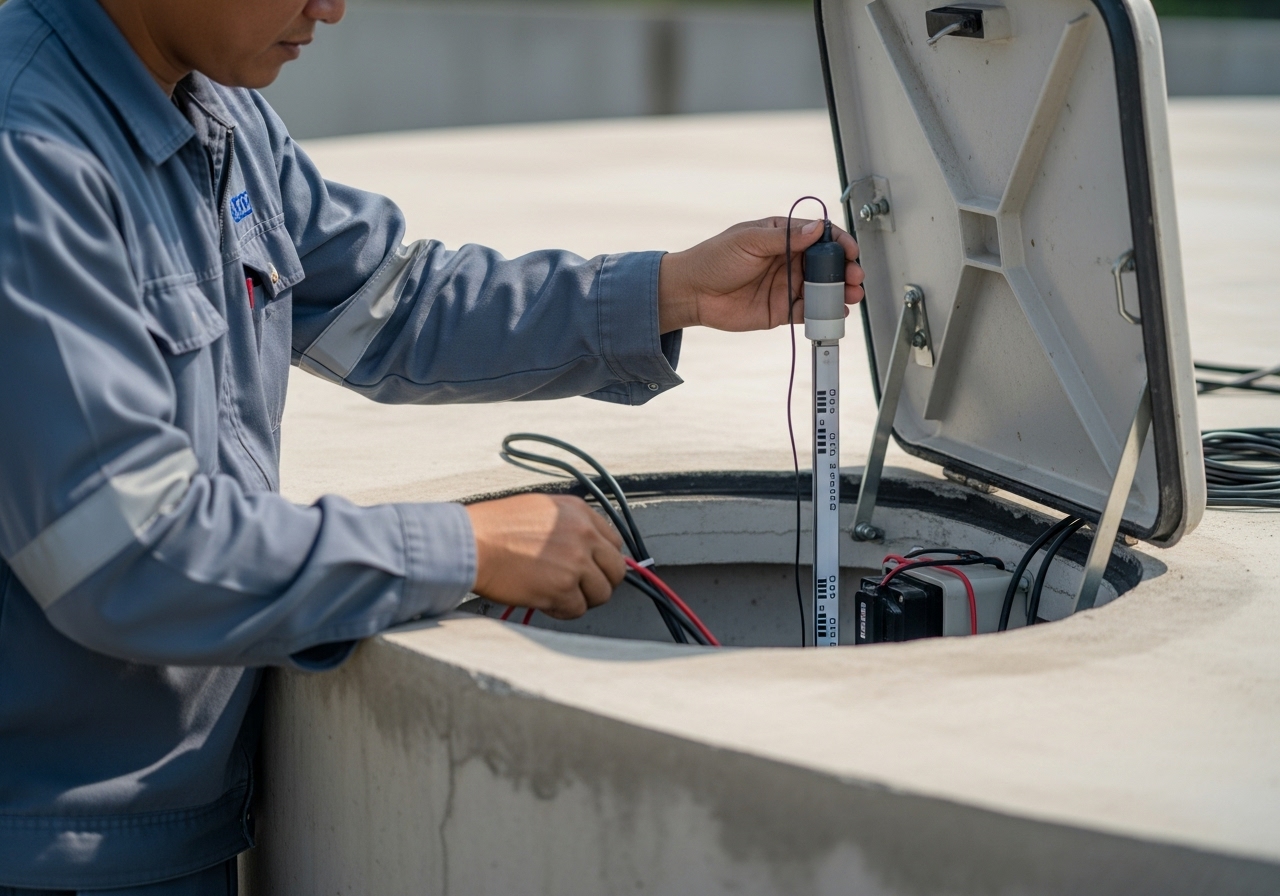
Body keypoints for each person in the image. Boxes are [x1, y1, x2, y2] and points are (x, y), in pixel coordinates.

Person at [0, 0, 864, 891]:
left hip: (172, 824)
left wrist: (671, 292)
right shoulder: (29, 154)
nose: (332, 7)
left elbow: (390, 305)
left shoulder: (214, 109)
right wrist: (463, 547)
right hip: (52, 854)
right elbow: (132, 556)